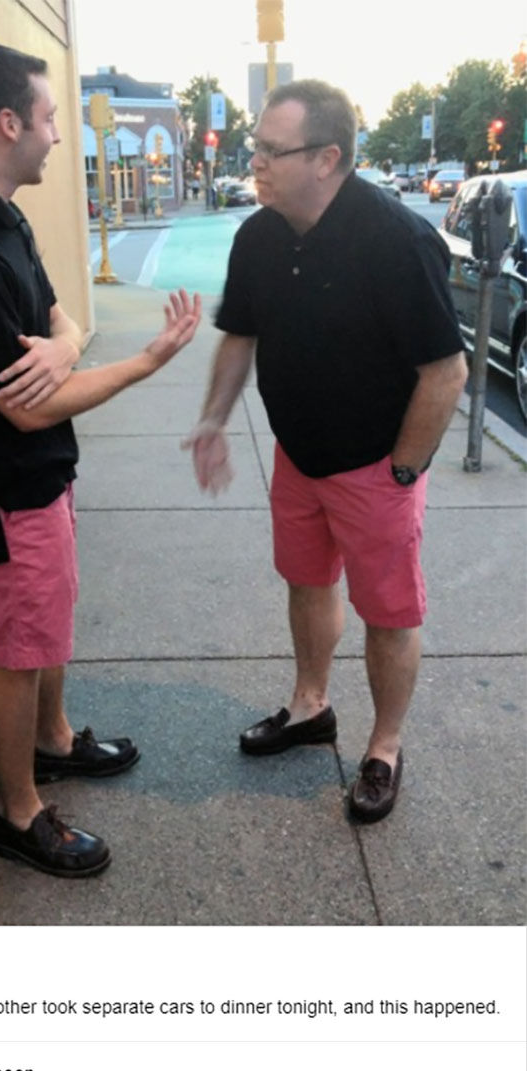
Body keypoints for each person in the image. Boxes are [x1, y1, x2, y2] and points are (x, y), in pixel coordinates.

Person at [0, 44, 200, 878]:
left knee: (45, 624)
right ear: (8, 123)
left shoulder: (0, 216)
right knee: (18, 650)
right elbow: (26, 406)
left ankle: (54, 742)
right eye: (50, 117)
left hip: (37, 476)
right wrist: (145, 363)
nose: (59, 135)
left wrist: (62, 348)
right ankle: (18, 814)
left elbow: (59, 322)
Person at [184, 79, 467, 823]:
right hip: (298, 458)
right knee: (307, 583)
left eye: (271, 151)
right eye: (255, 148)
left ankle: (384, 747)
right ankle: (310, 706)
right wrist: (213, 420)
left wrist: (403, 469)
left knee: (389, 613)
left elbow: (446, 371)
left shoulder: (396, 241)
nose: (255, 163)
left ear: (327, 158)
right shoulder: (259, 235)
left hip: (375, 465)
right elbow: (240, 335)